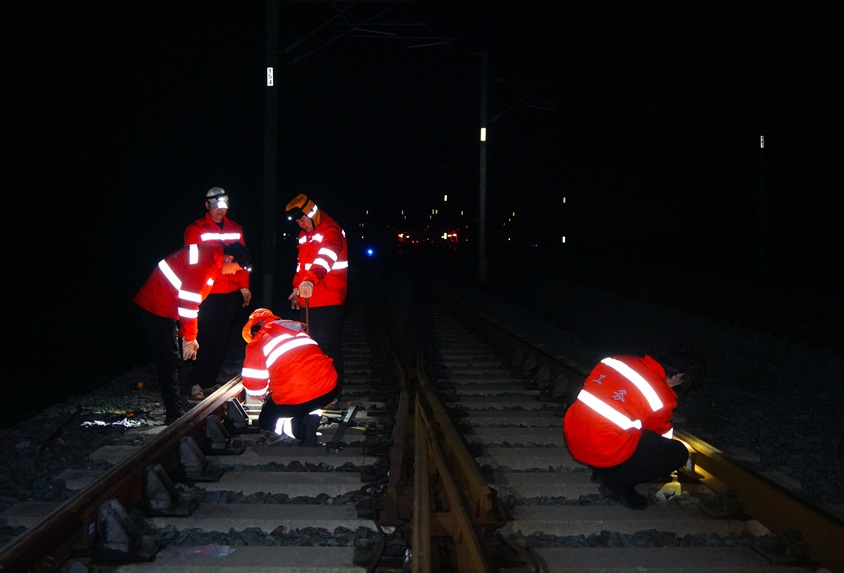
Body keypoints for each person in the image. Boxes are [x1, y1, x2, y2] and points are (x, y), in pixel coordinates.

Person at [134, 241, 252, 424]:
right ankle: (173, 411)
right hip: (157, 306)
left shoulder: (210, 257)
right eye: (236, 268)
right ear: (229, 258)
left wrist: (186, 333)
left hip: (164, 304)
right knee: (169, 359)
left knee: (171, 358)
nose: (234, 273)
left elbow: (188, 299)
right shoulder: (205, 266)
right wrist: (190, 338)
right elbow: (189, 304)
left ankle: (175, 404)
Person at [562, 354, 690, 510]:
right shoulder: (663, 398)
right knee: (677, 453)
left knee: (611, 424)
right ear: (678, 376)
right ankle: (618, 484)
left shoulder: (616, 361)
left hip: (574, 435)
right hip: (601, 450)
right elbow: (656, 435)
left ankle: (602, 471)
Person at [184, 187, 252, 397]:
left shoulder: (235, 228)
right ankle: (196, 381)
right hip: (206, 292)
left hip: (228, 292)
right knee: (203, 336)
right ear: (207, 205)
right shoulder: (196, 229)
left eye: (224, 207)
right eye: (216, 207)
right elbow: (193, 262)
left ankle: (210, 380)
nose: (221, 211)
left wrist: (244, 285)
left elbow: (242, 259)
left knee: (221, 338)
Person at [284, 194, 348, 405]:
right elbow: (301, 263)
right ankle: (316, 389)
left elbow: (325, 258)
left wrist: (309, 280)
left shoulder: (331, 230)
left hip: (328, 298)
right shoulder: (305, 234)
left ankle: (332, 394)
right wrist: (297, 287)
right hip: (308, 299)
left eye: (302, 220)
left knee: (328, 348)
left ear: (312, 213)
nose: (301, 225)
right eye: (298, 222)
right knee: (311, 347)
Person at [240, 308, 337, 446]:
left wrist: (264, 395)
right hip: (329, 390)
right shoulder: (297, 331)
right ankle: (310, 418)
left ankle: (290, 433)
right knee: (308, 398)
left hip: (297, 398)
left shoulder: (258, 341)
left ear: (254, 330)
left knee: (267, 418)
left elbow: (255, 387)